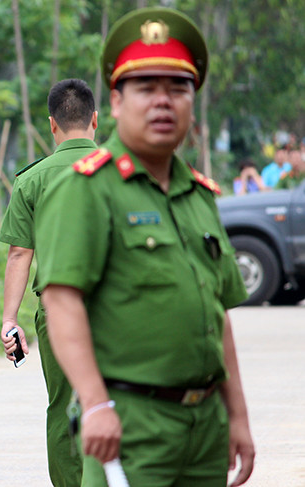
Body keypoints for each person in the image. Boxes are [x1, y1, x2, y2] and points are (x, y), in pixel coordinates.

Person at [34, 7, 255, 487]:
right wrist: (95, 404)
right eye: (146, 88)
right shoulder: (86, 188)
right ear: (114, 103)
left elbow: (219, 316)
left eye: (178, 88)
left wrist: (237, 416)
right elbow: (61, 300)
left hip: (205, 427)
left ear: (192, 102)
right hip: (131, 423)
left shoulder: (200, 195)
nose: (163, 101)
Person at [0, 78, 98, 487]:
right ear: (95, 120)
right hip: (122, 305)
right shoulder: (126, 171)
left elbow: (20, 254)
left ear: (52, 126)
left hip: (58, 312)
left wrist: (10, 320)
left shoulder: (31, 180)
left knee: (64, 406)